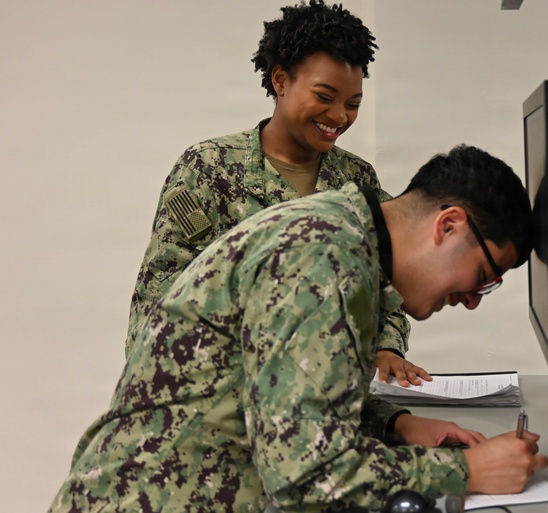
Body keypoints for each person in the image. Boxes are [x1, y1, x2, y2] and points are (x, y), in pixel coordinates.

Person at [29, 145, 548, 513]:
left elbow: (284, 387)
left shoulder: (341, 237)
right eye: (484, 274)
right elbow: (306, 475)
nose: (475, 298)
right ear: (449, 225)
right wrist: (464, 470)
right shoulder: (324, 257)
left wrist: (397, 423)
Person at [126, 0, 430, 386]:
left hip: (322, 408)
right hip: (222, 408)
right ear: (281, 81)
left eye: (353, 104)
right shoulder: (207, 170)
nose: (339, 116)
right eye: (324, 97)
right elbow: (159, 308)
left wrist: (387, 349)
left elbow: (386, 285)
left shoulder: (357, 181)